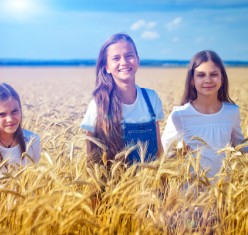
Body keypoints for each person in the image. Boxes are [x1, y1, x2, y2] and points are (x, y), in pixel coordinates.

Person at [81, 33, 164, 166]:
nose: (124, 62)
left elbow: (159, 150)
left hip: (150, 184)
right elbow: (91, 160)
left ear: (138, 59)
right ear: (106, 67)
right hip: (114, 185)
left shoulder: (151, 99)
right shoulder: (99, 105)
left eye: (129, 56)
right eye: (116, 58)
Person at [162, 50, 247, 177]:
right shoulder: (179, 115)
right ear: (192, 80)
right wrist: (176, 154)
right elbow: (163, 155)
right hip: (189, 193)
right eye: (201, 75)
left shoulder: (232, 112)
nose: (208, 80)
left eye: (214, 74)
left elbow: (240, 147)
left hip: (223, 190)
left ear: (222, 79)